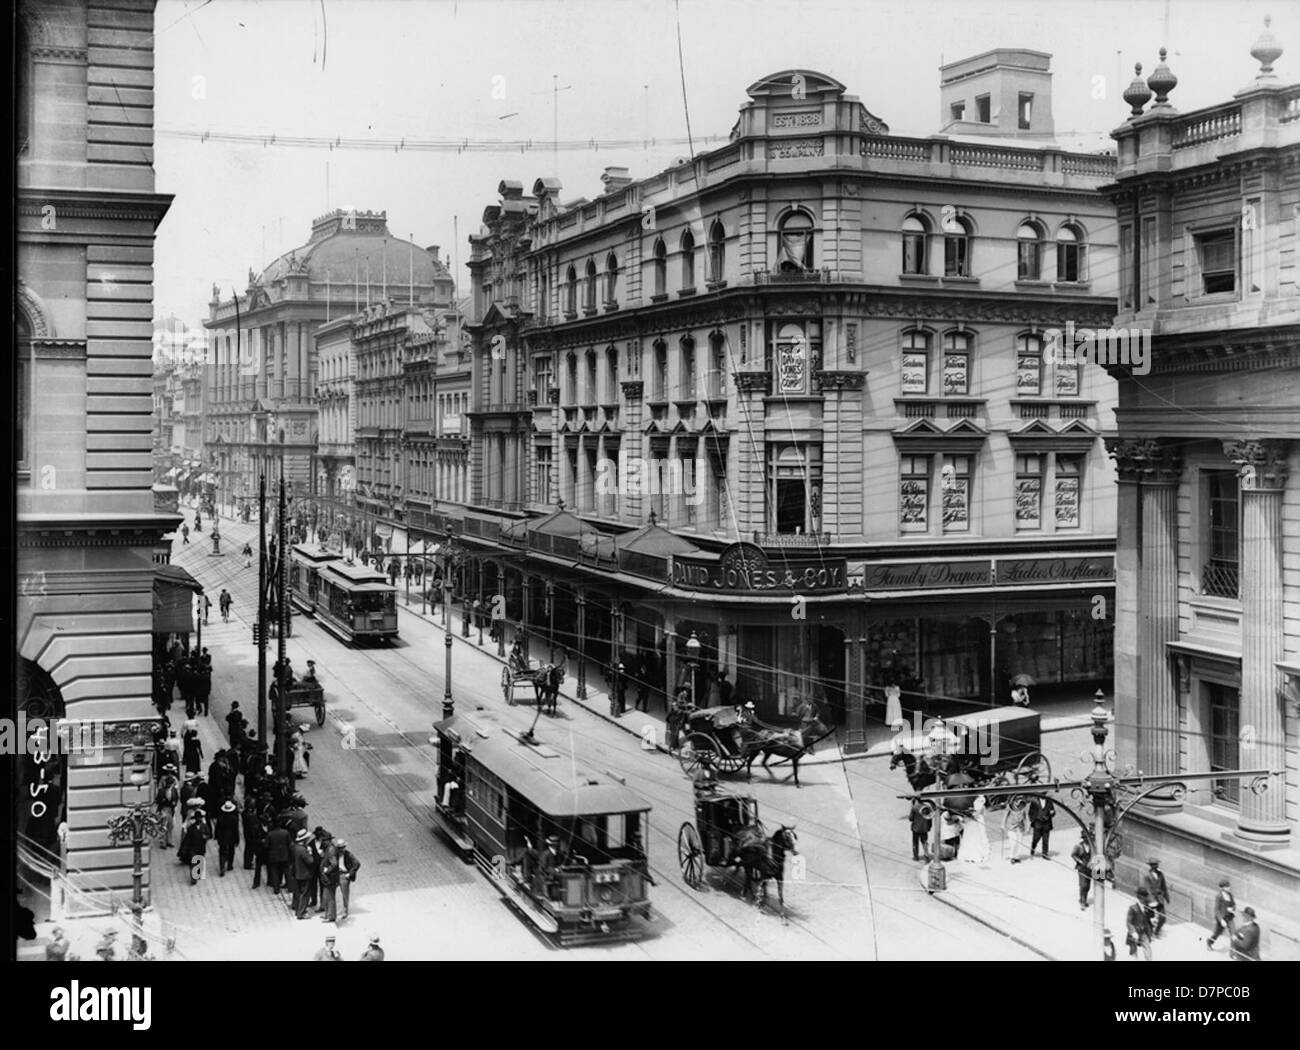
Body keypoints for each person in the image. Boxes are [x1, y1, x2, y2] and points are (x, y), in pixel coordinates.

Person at [1141, 858, 1170, 937]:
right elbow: (1147, 889)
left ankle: (1156, 932)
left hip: (1159, 899)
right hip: (1150, 900)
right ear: (1150, 866)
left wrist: (1167, 897)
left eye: (1156, 864)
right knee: (1148, 918)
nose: (1155, 866)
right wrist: (1151, 901)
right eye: (1153, 864)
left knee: (1162, 918)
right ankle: (1147, 933)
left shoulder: (1160, 874)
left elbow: (1164, 886)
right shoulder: (1147, 876)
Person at [958, 795, 990, 866]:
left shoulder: (980, 799)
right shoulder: (974, 798)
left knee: (977, 835)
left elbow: (978, 812)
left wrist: (971, 815)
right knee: (970, 836)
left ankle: (975, 854)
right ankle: (969, 854)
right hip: (973, 819)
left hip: (977, 819)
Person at [290, 828, 314, 918]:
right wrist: (310, 852)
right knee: (305, 894)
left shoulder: (294, 848)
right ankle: (301, 913)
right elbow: (310, 861)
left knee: (298, 892)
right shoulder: (303, 850)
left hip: (296, 873)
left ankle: (297, 909)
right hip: (304, 874)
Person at [335, 837, 361, 921]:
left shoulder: (348, 854)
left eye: (342, 848)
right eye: (339, 848)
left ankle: (345, 911)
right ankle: (332, 910)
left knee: (345, 894)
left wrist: (349, 874)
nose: (341, 850)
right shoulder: (335, 854)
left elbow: (357, 863)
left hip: (344, 875)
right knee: (331, 892)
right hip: (336, 875)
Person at [1207, 878, 1236, 951]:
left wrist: (1232, 908)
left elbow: (1233, 904)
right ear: (1222, 888)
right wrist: (1221, 920)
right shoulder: (1219, 896)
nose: (1229, 888)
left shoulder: (1230, 895)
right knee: (1217, 933)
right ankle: (1209, 942)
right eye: (1227, 886)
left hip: (1229, 917)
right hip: (1222, 918)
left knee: (1233, 933)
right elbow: (1216, 910)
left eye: (1229, 886)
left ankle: (1233, 953)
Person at [155, 765, 180, 849]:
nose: (169, 785)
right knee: (163, 825)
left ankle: (169, 840)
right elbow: (157, 799)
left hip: (170, 809)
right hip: (164, 808)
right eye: (169, 783)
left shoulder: (174, 790)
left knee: (170, 825)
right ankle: (162, 842)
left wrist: (174, 803)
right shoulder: (162, 790)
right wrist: (162, 800)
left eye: (171, 783)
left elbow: (176, 798)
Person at [1126, 888, 1154, 960]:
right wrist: (1133, 932)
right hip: (1135, 932)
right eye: (1143, 897)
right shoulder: (1133, 908)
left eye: (1145, 897)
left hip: (1143, 932)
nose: (1144, 899)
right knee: (1133, 951)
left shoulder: (1147, 907)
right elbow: (1128, 922)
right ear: (1139, 897)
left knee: (1147, 949)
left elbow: (1151, 918)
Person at [214, 800, 240, 876]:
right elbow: (236, 830)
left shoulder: (221, 818)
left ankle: (222, 867)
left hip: (222, 838)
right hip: (231, 838)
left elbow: (217, 828)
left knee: (222, 852)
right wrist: (237, 840)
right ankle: (229, 865)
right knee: (231, 851)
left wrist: (216, 836)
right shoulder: (234, 818)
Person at [263, 822, 291, 893]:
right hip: (284, 856)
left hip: (274, 857)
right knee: (287, 871)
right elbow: (290, 843)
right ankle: (290, 887)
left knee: (274, 872)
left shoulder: (270, 834)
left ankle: (276, 889)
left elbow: (266, 846)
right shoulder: (286, 832)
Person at [1071, 836, 1093, 911]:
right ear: (1083, 839)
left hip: (1090, 868)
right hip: (1081, 868)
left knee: (1088, 886)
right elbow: (1073, 855)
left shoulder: (1092, 846)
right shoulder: (1079, 846)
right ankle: (1083, 902)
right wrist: (1080, 861)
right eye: (1085, 838)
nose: (1087, 839)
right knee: (1083, 884)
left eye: (1088, 838)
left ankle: (1083, 899)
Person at [909, 797, 931, 862]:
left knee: (915, 842)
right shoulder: (927, 808)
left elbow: (910, 818)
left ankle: (916, 857)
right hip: (924, 828)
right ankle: (926, 856)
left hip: (915, 828)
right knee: (924, 842)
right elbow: (930, 818)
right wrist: (929, 827)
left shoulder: (914, 807)